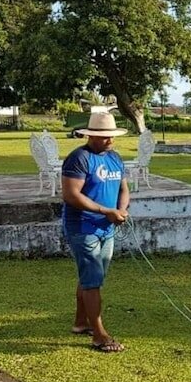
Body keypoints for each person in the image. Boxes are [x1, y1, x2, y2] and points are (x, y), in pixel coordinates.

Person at [61, 110, 130, 353]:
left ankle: (81, 323)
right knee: (92, 280)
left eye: (111, 135)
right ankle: (100, 335)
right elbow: (71, 195)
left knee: (92, 277)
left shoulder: (115, 158)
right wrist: (105, 210)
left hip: (106, 227)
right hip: (83, 227)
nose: (109, 140)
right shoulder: (79, 158)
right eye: (103, 136)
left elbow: (123, 188)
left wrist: (121, 210)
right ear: (90, 135)